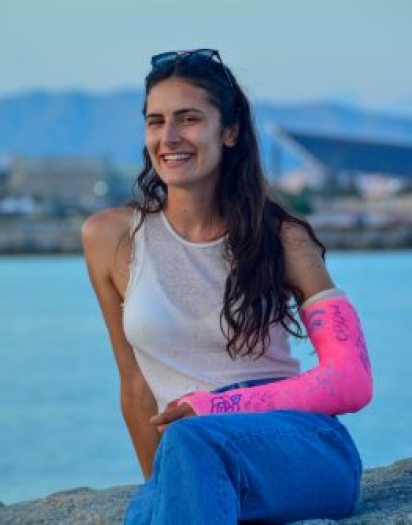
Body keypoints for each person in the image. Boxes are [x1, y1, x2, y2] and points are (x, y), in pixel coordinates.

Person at [82, 48, 373, 524]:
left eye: (189, 119)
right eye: (155, 121)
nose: (169, 137)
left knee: (190, 442)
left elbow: (352, 379)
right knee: (159, 493)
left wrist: (216, 408)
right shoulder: (109, 238)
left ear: (230, 131)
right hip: (191, 452)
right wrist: (167, 487)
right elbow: (135, 385)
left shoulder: (282, 238)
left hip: (302, 448)